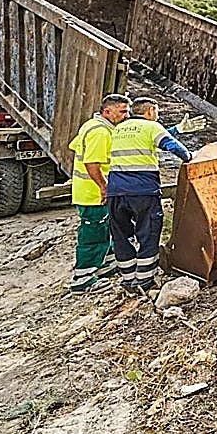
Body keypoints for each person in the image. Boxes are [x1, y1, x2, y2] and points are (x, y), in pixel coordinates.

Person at [107, 98, 205, 292]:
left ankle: (128, 281)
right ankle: (144, 281)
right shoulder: (152, 127)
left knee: (121, 236)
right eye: (157, 111)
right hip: (142, 192)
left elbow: (146, 140)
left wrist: (177, 129)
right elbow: (173, 146)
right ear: (151, 111)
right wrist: (191, 157)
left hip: (116, 192)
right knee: (148, 232)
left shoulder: (118, 129)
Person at [67, 93, 130, 293]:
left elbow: (75, 147)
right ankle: (82, 278)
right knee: (93, 232)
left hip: (90, 190)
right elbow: (91, 164)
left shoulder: (92, 126)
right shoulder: (100, 132)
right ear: (107, 111)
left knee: (105, 228)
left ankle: (105, 264)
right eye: (122, 112)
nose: (126, 116)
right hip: (92, 193)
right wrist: (104, 187)